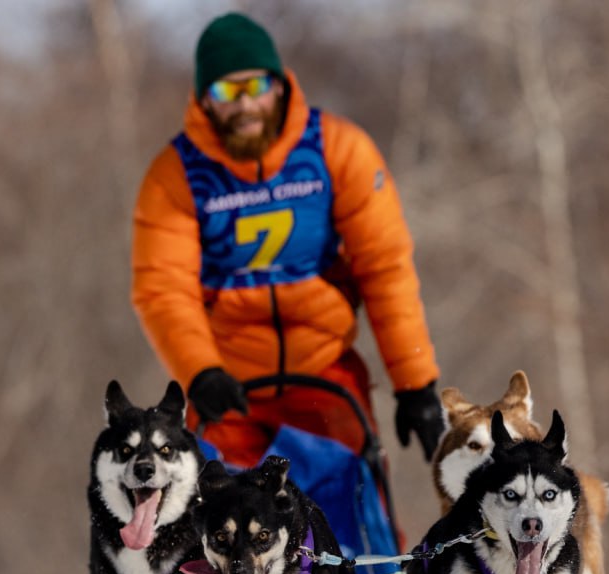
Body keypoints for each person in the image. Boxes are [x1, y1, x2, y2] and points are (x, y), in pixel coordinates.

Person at [130, 11, 443, 469]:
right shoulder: (175, 175)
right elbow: (163, 289)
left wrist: (415, 383)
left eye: (254, 87)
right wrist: (199, 373)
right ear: (204, 101)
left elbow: (384, 267)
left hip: (324, 372)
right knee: (218, 523)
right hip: (227, 387)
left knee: (353, 512)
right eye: (226, 92)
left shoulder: (336, 150)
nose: (244, 106)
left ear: (278, 85)